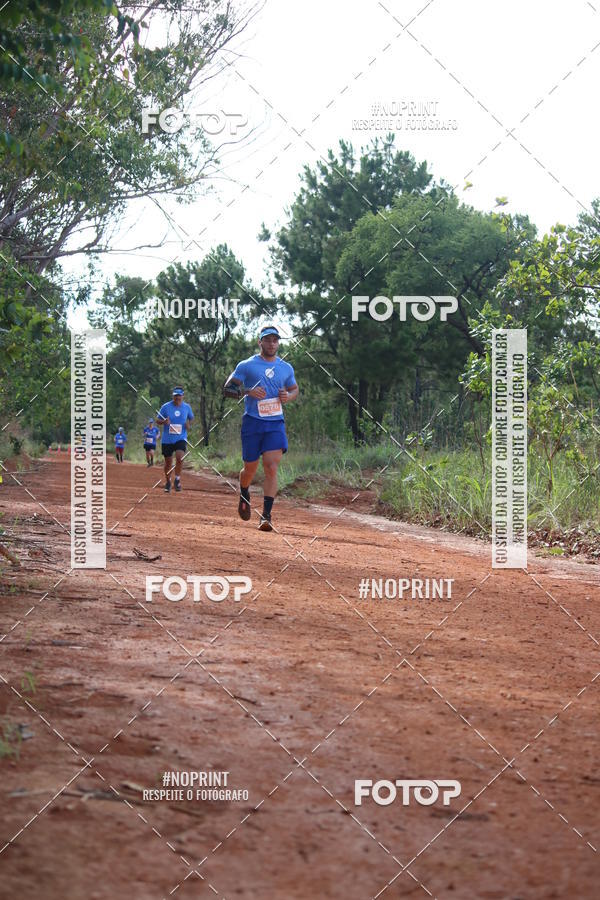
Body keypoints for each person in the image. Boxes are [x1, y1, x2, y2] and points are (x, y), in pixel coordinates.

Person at [223, 325, 298, 531]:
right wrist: (247, 392)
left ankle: (266, 516)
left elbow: (294, 388)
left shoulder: (286, 368)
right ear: (260, 342)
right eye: (267, 340)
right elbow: (227, 389)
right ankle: (244, 491)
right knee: (250, 468)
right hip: (253, 422)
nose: (271, 344)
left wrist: (288, 397)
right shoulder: (247, 365)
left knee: (271, 467)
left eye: (275, 340)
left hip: (275, 423)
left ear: (278, 343)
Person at [156, 387, 194, 493]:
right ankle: (168, 481)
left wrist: (188, 424)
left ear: (182, 396)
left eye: (179, 395)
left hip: (180, 438)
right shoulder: (166, 407)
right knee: (168, 462)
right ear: (173, 396)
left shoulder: (187, 407)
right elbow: (157, 420)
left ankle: (177, 479)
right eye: (175, 395)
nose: (177, 398)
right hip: (167, 439)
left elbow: (191, 418)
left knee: (179, 457)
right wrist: (164, 422)